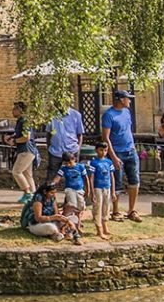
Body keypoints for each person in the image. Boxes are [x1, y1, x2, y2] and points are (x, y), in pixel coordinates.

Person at [99, 89, 140, 221]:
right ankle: (115, 211)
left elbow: (128, 131)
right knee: (117, 182)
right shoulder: (109, 115)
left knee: (134, 181)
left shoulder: (127, 112)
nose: (129, 101)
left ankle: (132, 210)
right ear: (121, 100)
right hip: (117, 152)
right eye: (128, 98)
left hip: (130, 151)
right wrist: (113, 156)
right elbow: (105, 137)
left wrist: (133, 147)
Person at [51, 97, 89, 184]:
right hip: (55, 151)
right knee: (52, 176)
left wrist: (78, 147)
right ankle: (50, 196)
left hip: (72, 150)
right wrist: (50, 145)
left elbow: (80, 134)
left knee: (74, 175)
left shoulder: (76, 115)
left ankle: (75, 194)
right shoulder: (52, 115)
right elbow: (49, 133)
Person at [9, 101, 38, 195]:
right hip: (23, 150)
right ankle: (34, 195)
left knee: (16, 171)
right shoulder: (20, 121)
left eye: (14, 109)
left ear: (20, 110)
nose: (12, 111)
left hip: (27, 150)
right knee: (27, 174)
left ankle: (27, 193)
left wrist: (14, 141)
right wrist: (11, 137)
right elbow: (19, 134)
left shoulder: (24, 120)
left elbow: (26, 137)